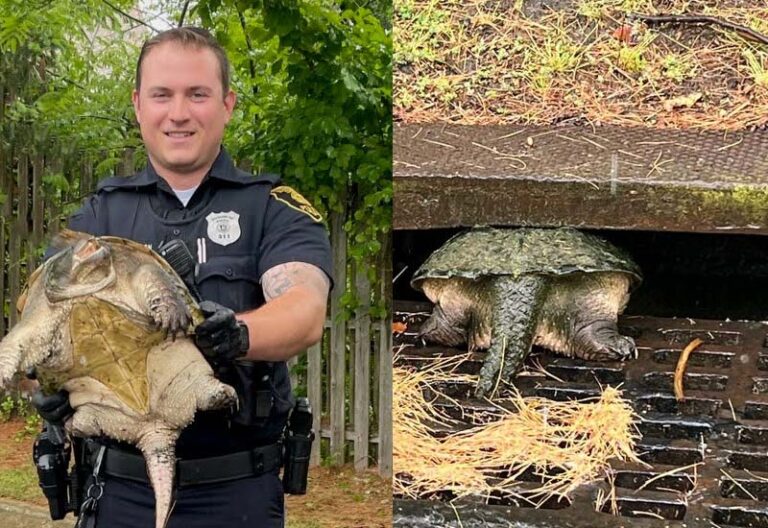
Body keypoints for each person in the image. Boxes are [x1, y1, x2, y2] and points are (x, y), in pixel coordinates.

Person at [37, 27, 332, 527]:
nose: (178, 113)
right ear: (137, 104)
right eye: (162, 95)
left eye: (197, 94)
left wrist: (238, 334)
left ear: (227, 104)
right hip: (118, 489)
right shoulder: (95, 220)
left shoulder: (272, 207)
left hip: (236, 492)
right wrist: (45, 378)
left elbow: (304, 309)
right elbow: (45, 324)